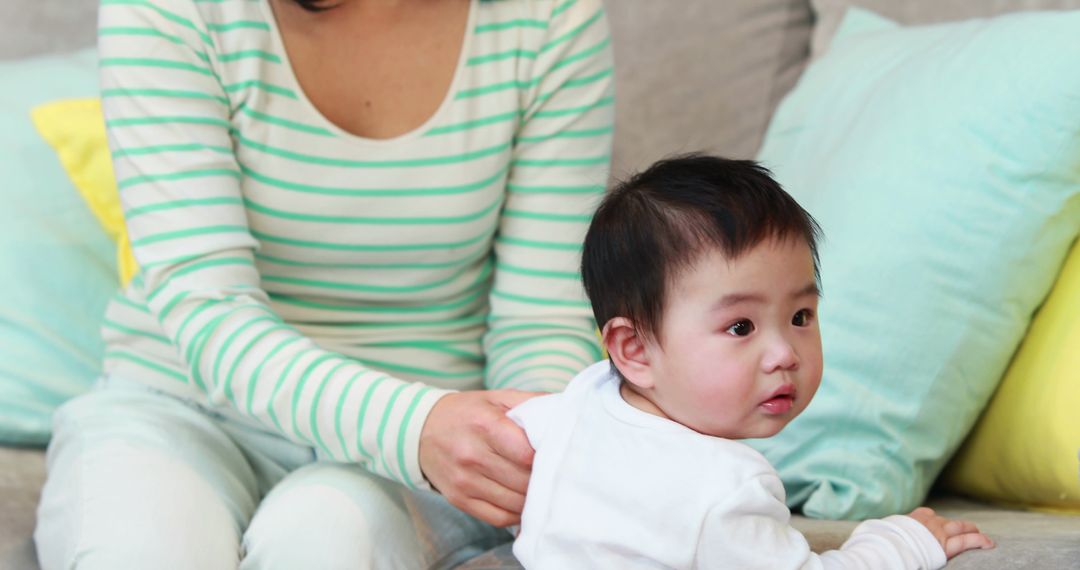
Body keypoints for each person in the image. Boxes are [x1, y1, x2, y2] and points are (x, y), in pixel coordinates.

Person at [33, 0, 614, 568]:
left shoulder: (549, 16)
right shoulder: (169, 9)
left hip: (426, 439)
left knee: (321, 541)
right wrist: (412, 426)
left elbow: (540, 318)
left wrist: (515, 442)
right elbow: (208, 309)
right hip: (183, 407)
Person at [507, 155, 995, 569]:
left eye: (801, 315)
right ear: (635, 349)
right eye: (741, 327)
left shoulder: (577, 404)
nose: (785, 354)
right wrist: (903, 542)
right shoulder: (723, 489)